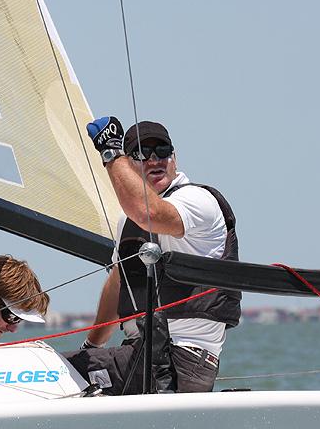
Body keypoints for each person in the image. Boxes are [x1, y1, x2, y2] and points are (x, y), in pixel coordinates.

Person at [66, 117, 241, 394]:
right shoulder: (128, 222)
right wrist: (90, 348)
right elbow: (118, 284)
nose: (154, 160)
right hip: (141, 354)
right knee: (67, 371)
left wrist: (111, 152)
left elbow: (150, 213)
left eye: (162, 151)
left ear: (175, 158)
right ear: (130, 166)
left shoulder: (197, 200)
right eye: (141, 154)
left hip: (182, 359)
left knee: (57, 373)